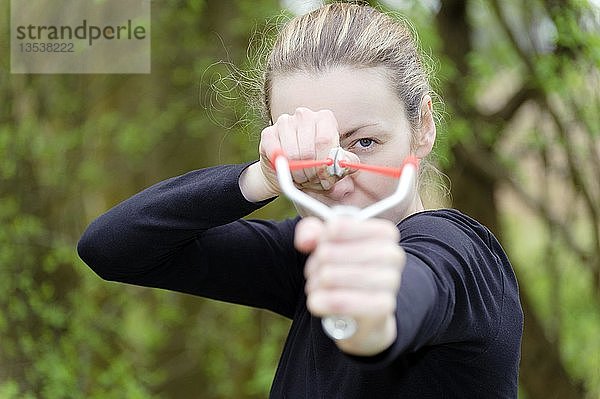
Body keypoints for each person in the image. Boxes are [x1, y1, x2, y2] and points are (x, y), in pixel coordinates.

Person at [77, 2, 523, 398]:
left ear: (423, 127)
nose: (337, 180)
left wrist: (369, 323)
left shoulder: (460, 253)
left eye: (364, 143)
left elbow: (416, 290)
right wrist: (260, 179)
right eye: (310, 156)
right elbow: (112, 248)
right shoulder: (306, 255)